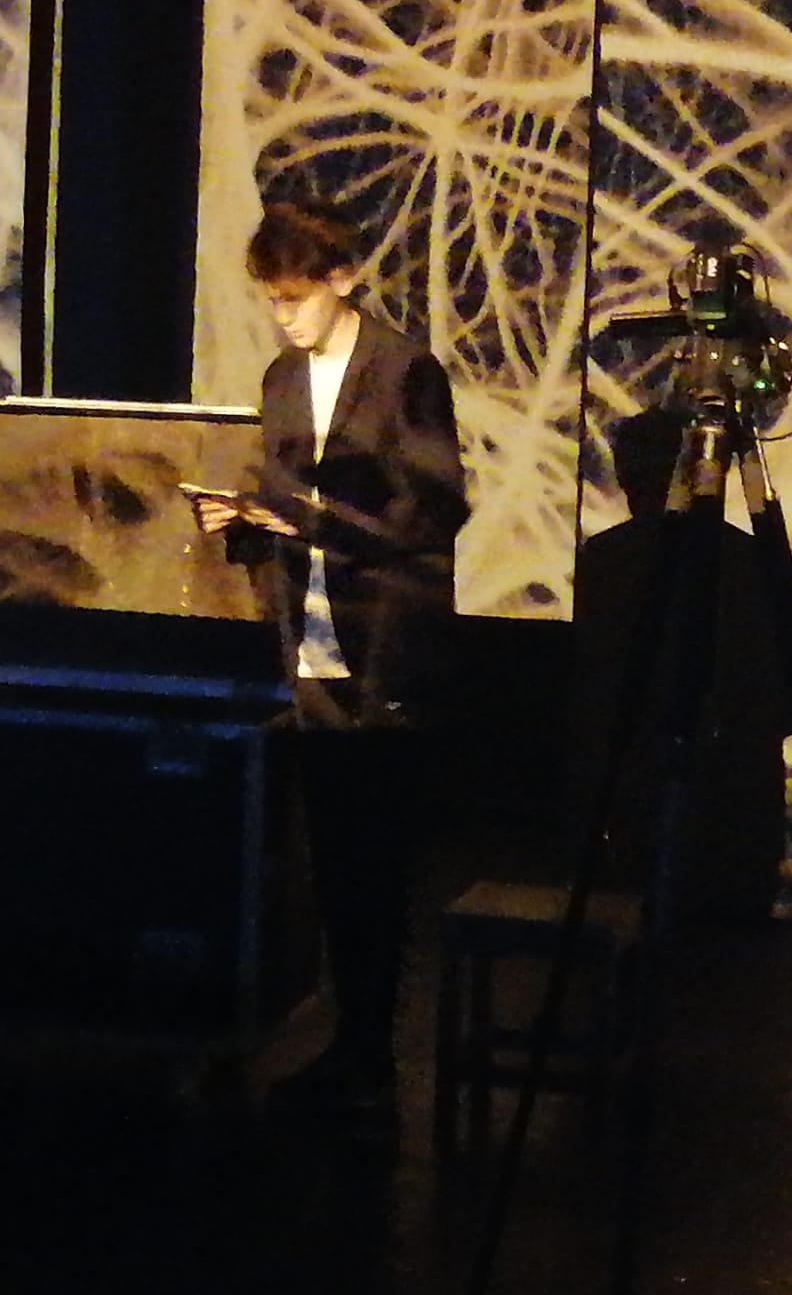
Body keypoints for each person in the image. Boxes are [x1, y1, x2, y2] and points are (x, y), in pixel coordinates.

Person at [194, 200, 469, 1123]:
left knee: (375, 861)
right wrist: (240, 523)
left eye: (296, 298)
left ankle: (370, 1049)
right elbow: (279, 503)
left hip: (384, 647)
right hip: (306, 642)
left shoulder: (403, 369)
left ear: (342, 279)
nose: (284, 318)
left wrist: (302, 520)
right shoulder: (281, 379)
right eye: (273, 302)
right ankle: (350, 1043)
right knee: (330, 860)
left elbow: (432, 510)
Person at [572, 405, 792, 928]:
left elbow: (593, 690)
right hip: (735, 813)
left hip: (642, 794)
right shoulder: (748, 559)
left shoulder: (606, 559)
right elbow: (776, 694)